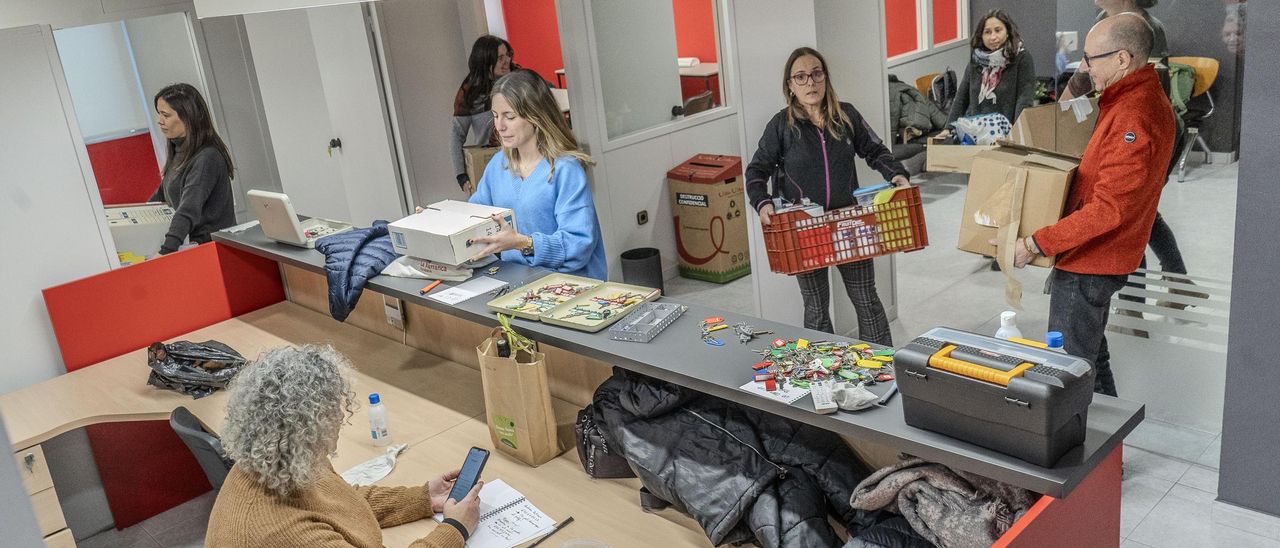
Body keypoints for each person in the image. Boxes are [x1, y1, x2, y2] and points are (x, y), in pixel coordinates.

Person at [1005, 14, 1175, 397]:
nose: (1083, 67)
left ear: (1122, 59)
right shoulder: (1130, 100)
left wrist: (1035, 242)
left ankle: (1084, 449)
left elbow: (1108, 210)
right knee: (1092, 360)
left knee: (1068, 370)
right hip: (1095, 258)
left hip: (1092, 262)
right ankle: (1110, 448)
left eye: (1090, 58)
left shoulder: (1134, 115)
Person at [206, 345, 481, 547]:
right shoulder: (282, 532)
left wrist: (422, 498)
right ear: (310, 426)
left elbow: (339, 503)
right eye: (333, 411)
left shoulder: (278, 458)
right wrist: (455, 528)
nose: (340, 418)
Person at [744, 47, 910, 345]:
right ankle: (825, 370)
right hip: (805, 229)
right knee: (816, 307)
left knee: (866, 298)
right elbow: (756, 170)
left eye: (817, 74)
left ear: (826, 78)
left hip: (848, 223)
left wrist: (896, 174)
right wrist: (762, 201)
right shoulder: (780, 126)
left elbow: (875, 150)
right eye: (801, 77)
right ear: (790, 86)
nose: (811, 82)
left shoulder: (847, 116)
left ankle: (883, 364)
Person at [467, 69, 608, 281]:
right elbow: (472, 217)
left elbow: (579, 245)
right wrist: (438, 219)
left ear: (536, 116)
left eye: (510, 117)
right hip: (517, 281)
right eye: (495, 116)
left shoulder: (565, 169)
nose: (500, 126)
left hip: (571, 286)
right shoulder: (498, 166)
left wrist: (522, 243)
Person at [149, 83, 236, 255]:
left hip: (211, 250)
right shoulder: (179, 150)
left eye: (165, 115)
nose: (160, 121)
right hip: (193, 246)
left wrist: (166, 251)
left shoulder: (206, 157)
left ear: (188, 118)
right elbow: (162, 195)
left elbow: (188, 209)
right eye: (159, 114)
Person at [943, 10, 1037, 135]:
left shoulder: (1021, 57)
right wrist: (947, 129)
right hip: (975, 132)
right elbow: (962, 97)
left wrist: (1017, 133)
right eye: (987, 32)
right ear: (981, 35)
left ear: (1008, 32)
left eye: (998, 30)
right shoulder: (976, 59)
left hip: (1006, 133)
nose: (993, 37)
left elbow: (1024, 99)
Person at [451, 35, 513, 196]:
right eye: (500, 58)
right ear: (486, 61)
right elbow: (457, 136)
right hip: (491, 163)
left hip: (523, 159)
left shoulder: (518, 81)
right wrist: (462, 176)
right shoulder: (470, 93)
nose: (507, 60)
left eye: (507, 55)